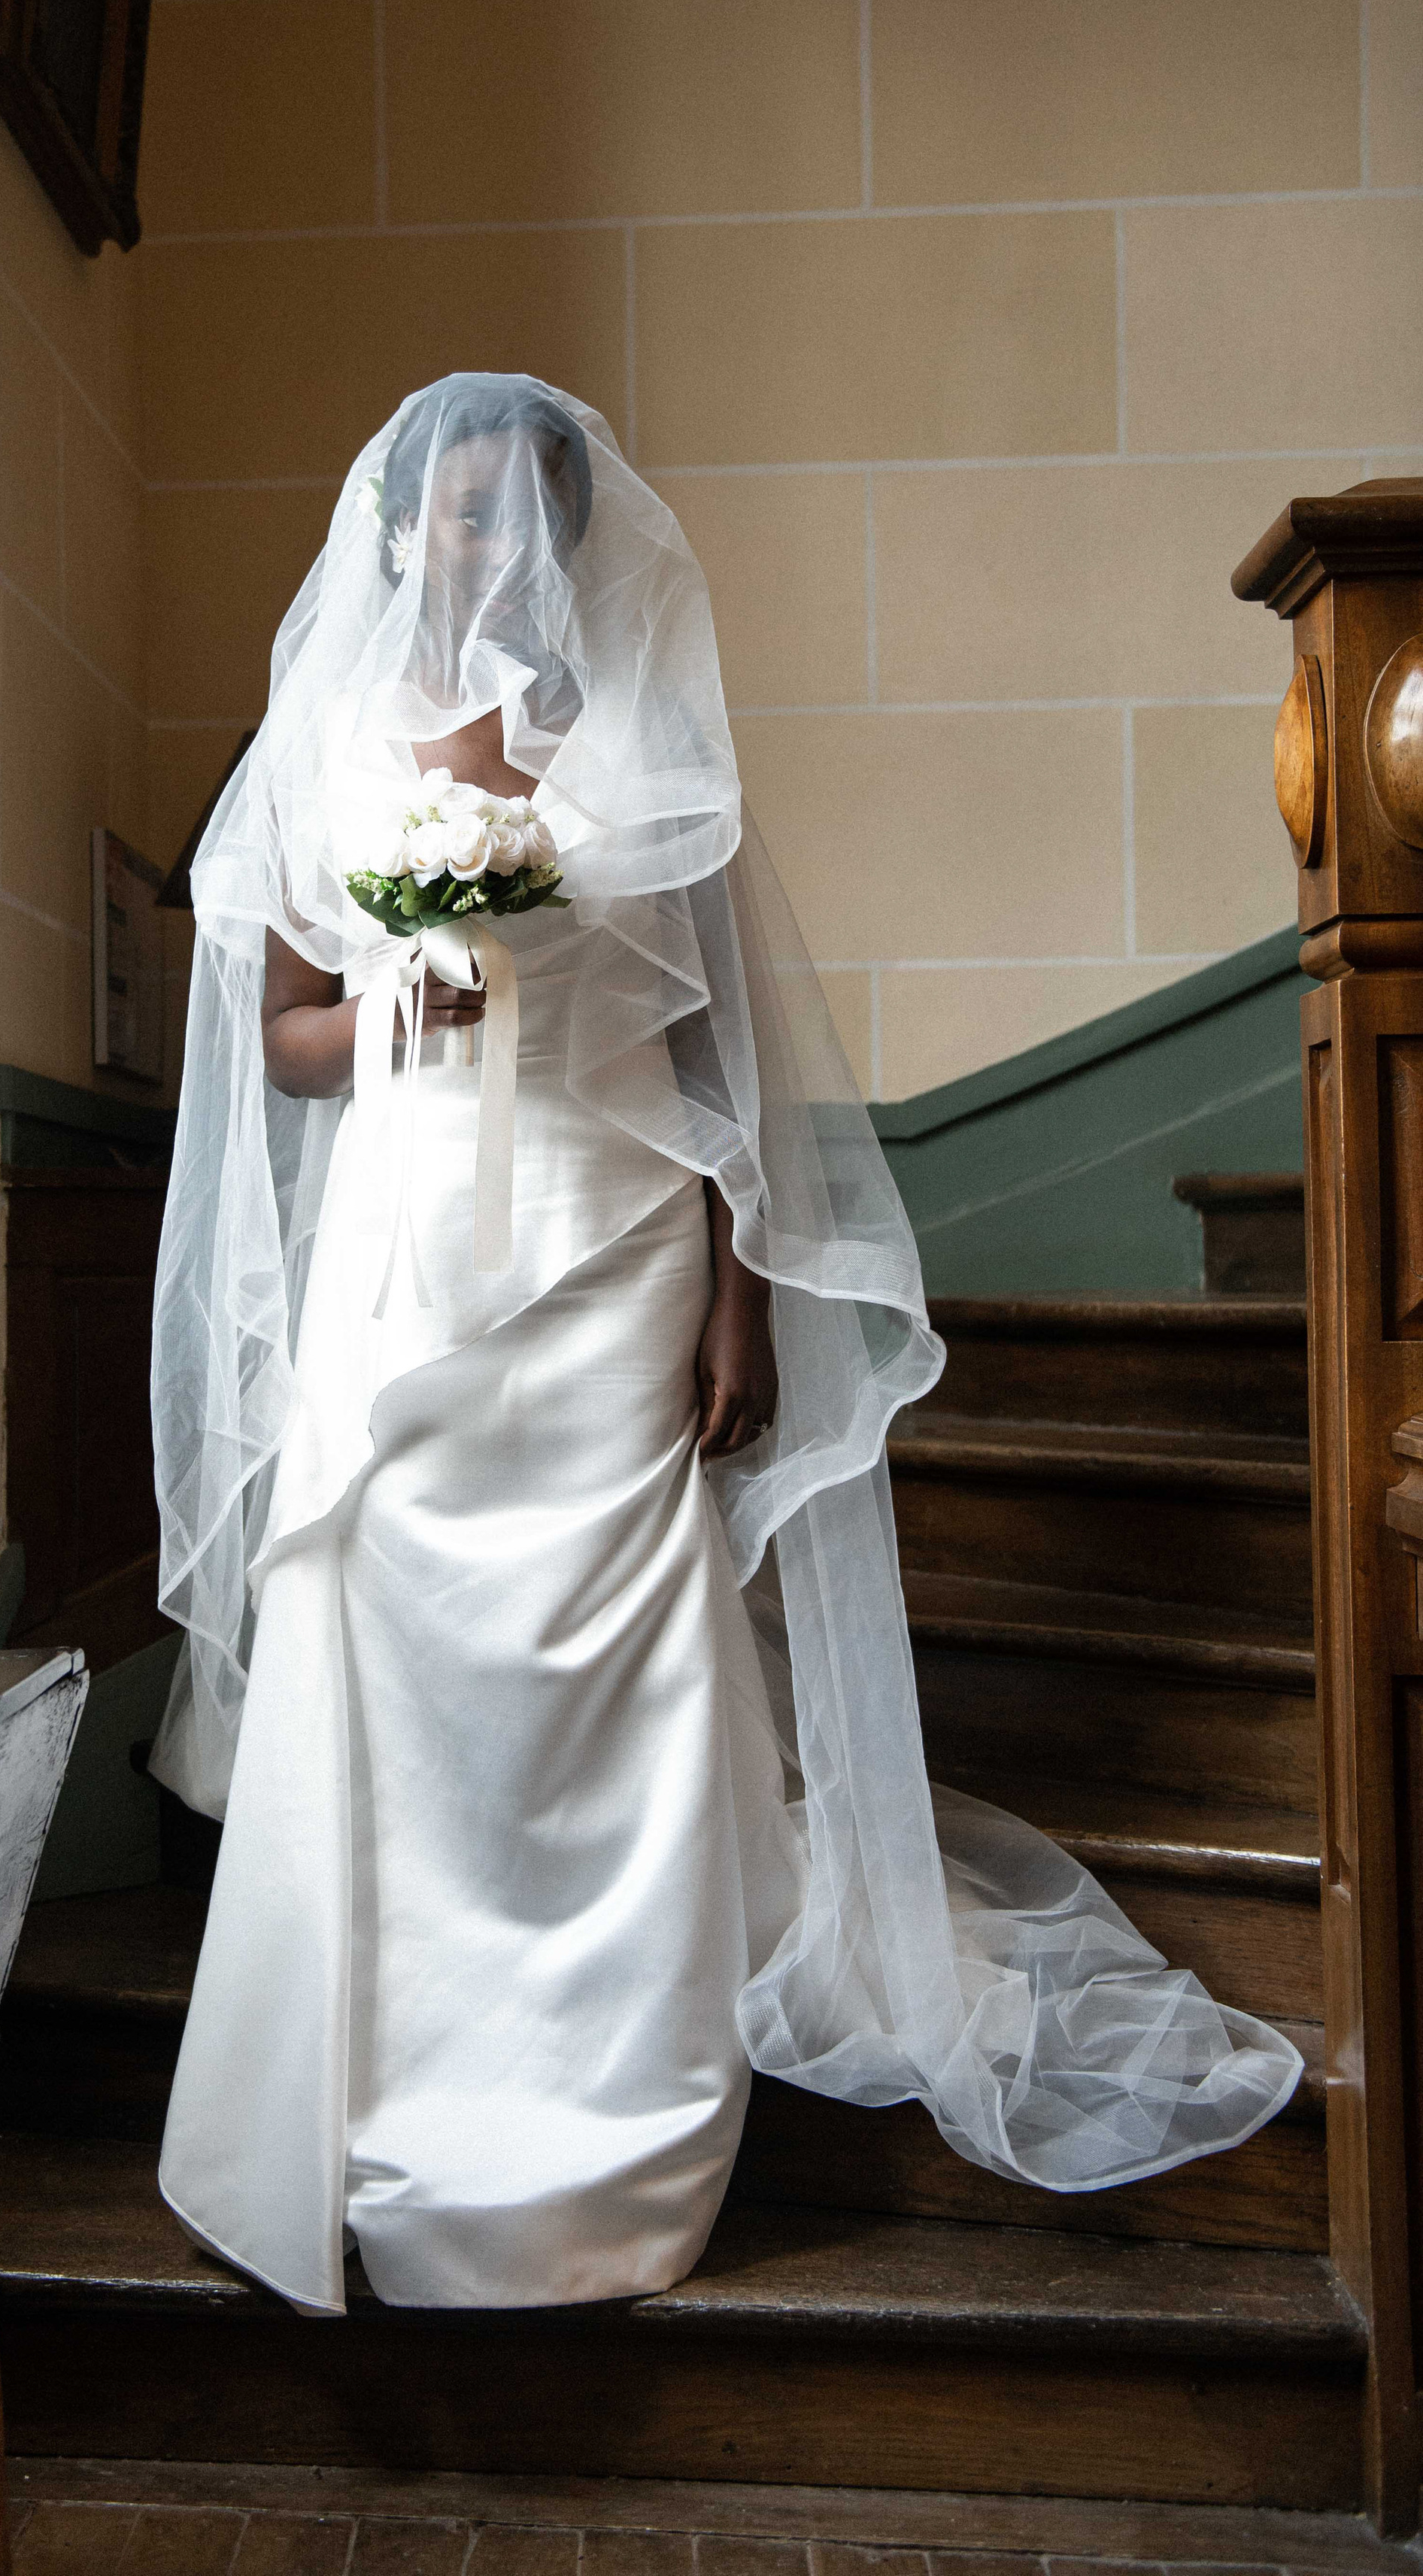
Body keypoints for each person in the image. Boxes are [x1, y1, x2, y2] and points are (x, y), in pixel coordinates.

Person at [147, 371, 1300, 2319]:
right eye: (460, 508)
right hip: (412, 1255)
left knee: (620, 1644)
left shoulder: (644, 744)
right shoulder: (326, 740)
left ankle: (614, 2108)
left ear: (569, 540)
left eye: (525, 511)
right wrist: (407, 994)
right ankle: (377, 2083)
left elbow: (723, 1052)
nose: (489, 541)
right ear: (402, 528)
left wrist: (745, 1290)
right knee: (402, 1643)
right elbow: (284, 1033)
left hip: (616, 1242)